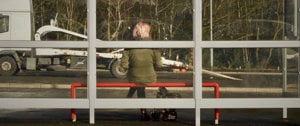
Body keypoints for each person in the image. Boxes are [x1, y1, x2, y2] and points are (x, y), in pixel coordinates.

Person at [120, 21, 162, 121]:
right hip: (150, 77)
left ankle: (139, 107)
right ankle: (151, 110)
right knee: (142, 83)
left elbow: (124, 66)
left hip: (133, 77)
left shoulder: (129, 46)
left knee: (138, 82)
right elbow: (159, 65)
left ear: (137, 32)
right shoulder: (154, 46)